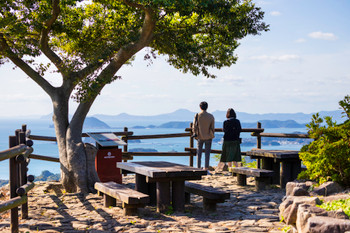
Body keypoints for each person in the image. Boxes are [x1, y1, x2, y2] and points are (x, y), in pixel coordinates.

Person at [192, 101, 215, 171]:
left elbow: (194, 126)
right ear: (207, 107)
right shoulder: (211, 116)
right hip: (208, 136)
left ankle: (198, 168)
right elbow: (212, 127)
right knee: (207, 154)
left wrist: (195, 133)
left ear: (200, 107)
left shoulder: (197, 115)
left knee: (199, 153)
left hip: (199, 136)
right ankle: (206, 168)